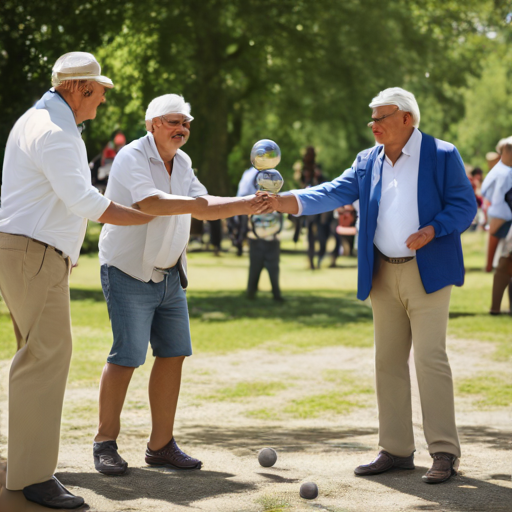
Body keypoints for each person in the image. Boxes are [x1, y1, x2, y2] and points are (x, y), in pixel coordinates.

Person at [262, 87, 476, 484]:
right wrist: (282, 201)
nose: (373, 125)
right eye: (372, 118)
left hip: (427, 271)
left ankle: (444, 452)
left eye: (381, 117)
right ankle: (395, 450)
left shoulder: (442, 154)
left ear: (407, 118)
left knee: (431, 359)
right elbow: (330, 192)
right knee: (387, 362)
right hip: (381, 272)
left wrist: (434, 229)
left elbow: (464, 205)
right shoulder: (366, 161)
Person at [0, 52, 157, 509]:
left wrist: (64, 250)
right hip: (32, 253)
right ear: (78, 88)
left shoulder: (41, 120)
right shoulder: (54, 131)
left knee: (37, 357)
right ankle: (33, 478)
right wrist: (147, 220)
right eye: (100, 90)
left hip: (33, 252)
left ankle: (25, 470)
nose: (104, 98)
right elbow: (85, 200)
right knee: (46, 357)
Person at [93, 94, 271, 475]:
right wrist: (197, 204)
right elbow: (151, 204)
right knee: (126, 357)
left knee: (174, 353)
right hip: (128, 270)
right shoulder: (131, 156)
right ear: (153, 124)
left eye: (186, 123)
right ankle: (104, 442)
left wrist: (246, 203)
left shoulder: (183, 161)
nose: (182, 129)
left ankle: (160, 445)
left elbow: (202, 205)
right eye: (174, 122)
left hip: (170, 273)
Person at [481, 136, 512, 314]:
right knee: (505, 266)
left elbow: (500, 208)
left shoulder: (505, 174)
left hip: (505, 223)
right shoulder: (504, 172)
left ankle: (495, 308)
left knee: (503, 267)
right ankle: (497, 308)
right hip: (505, 224)